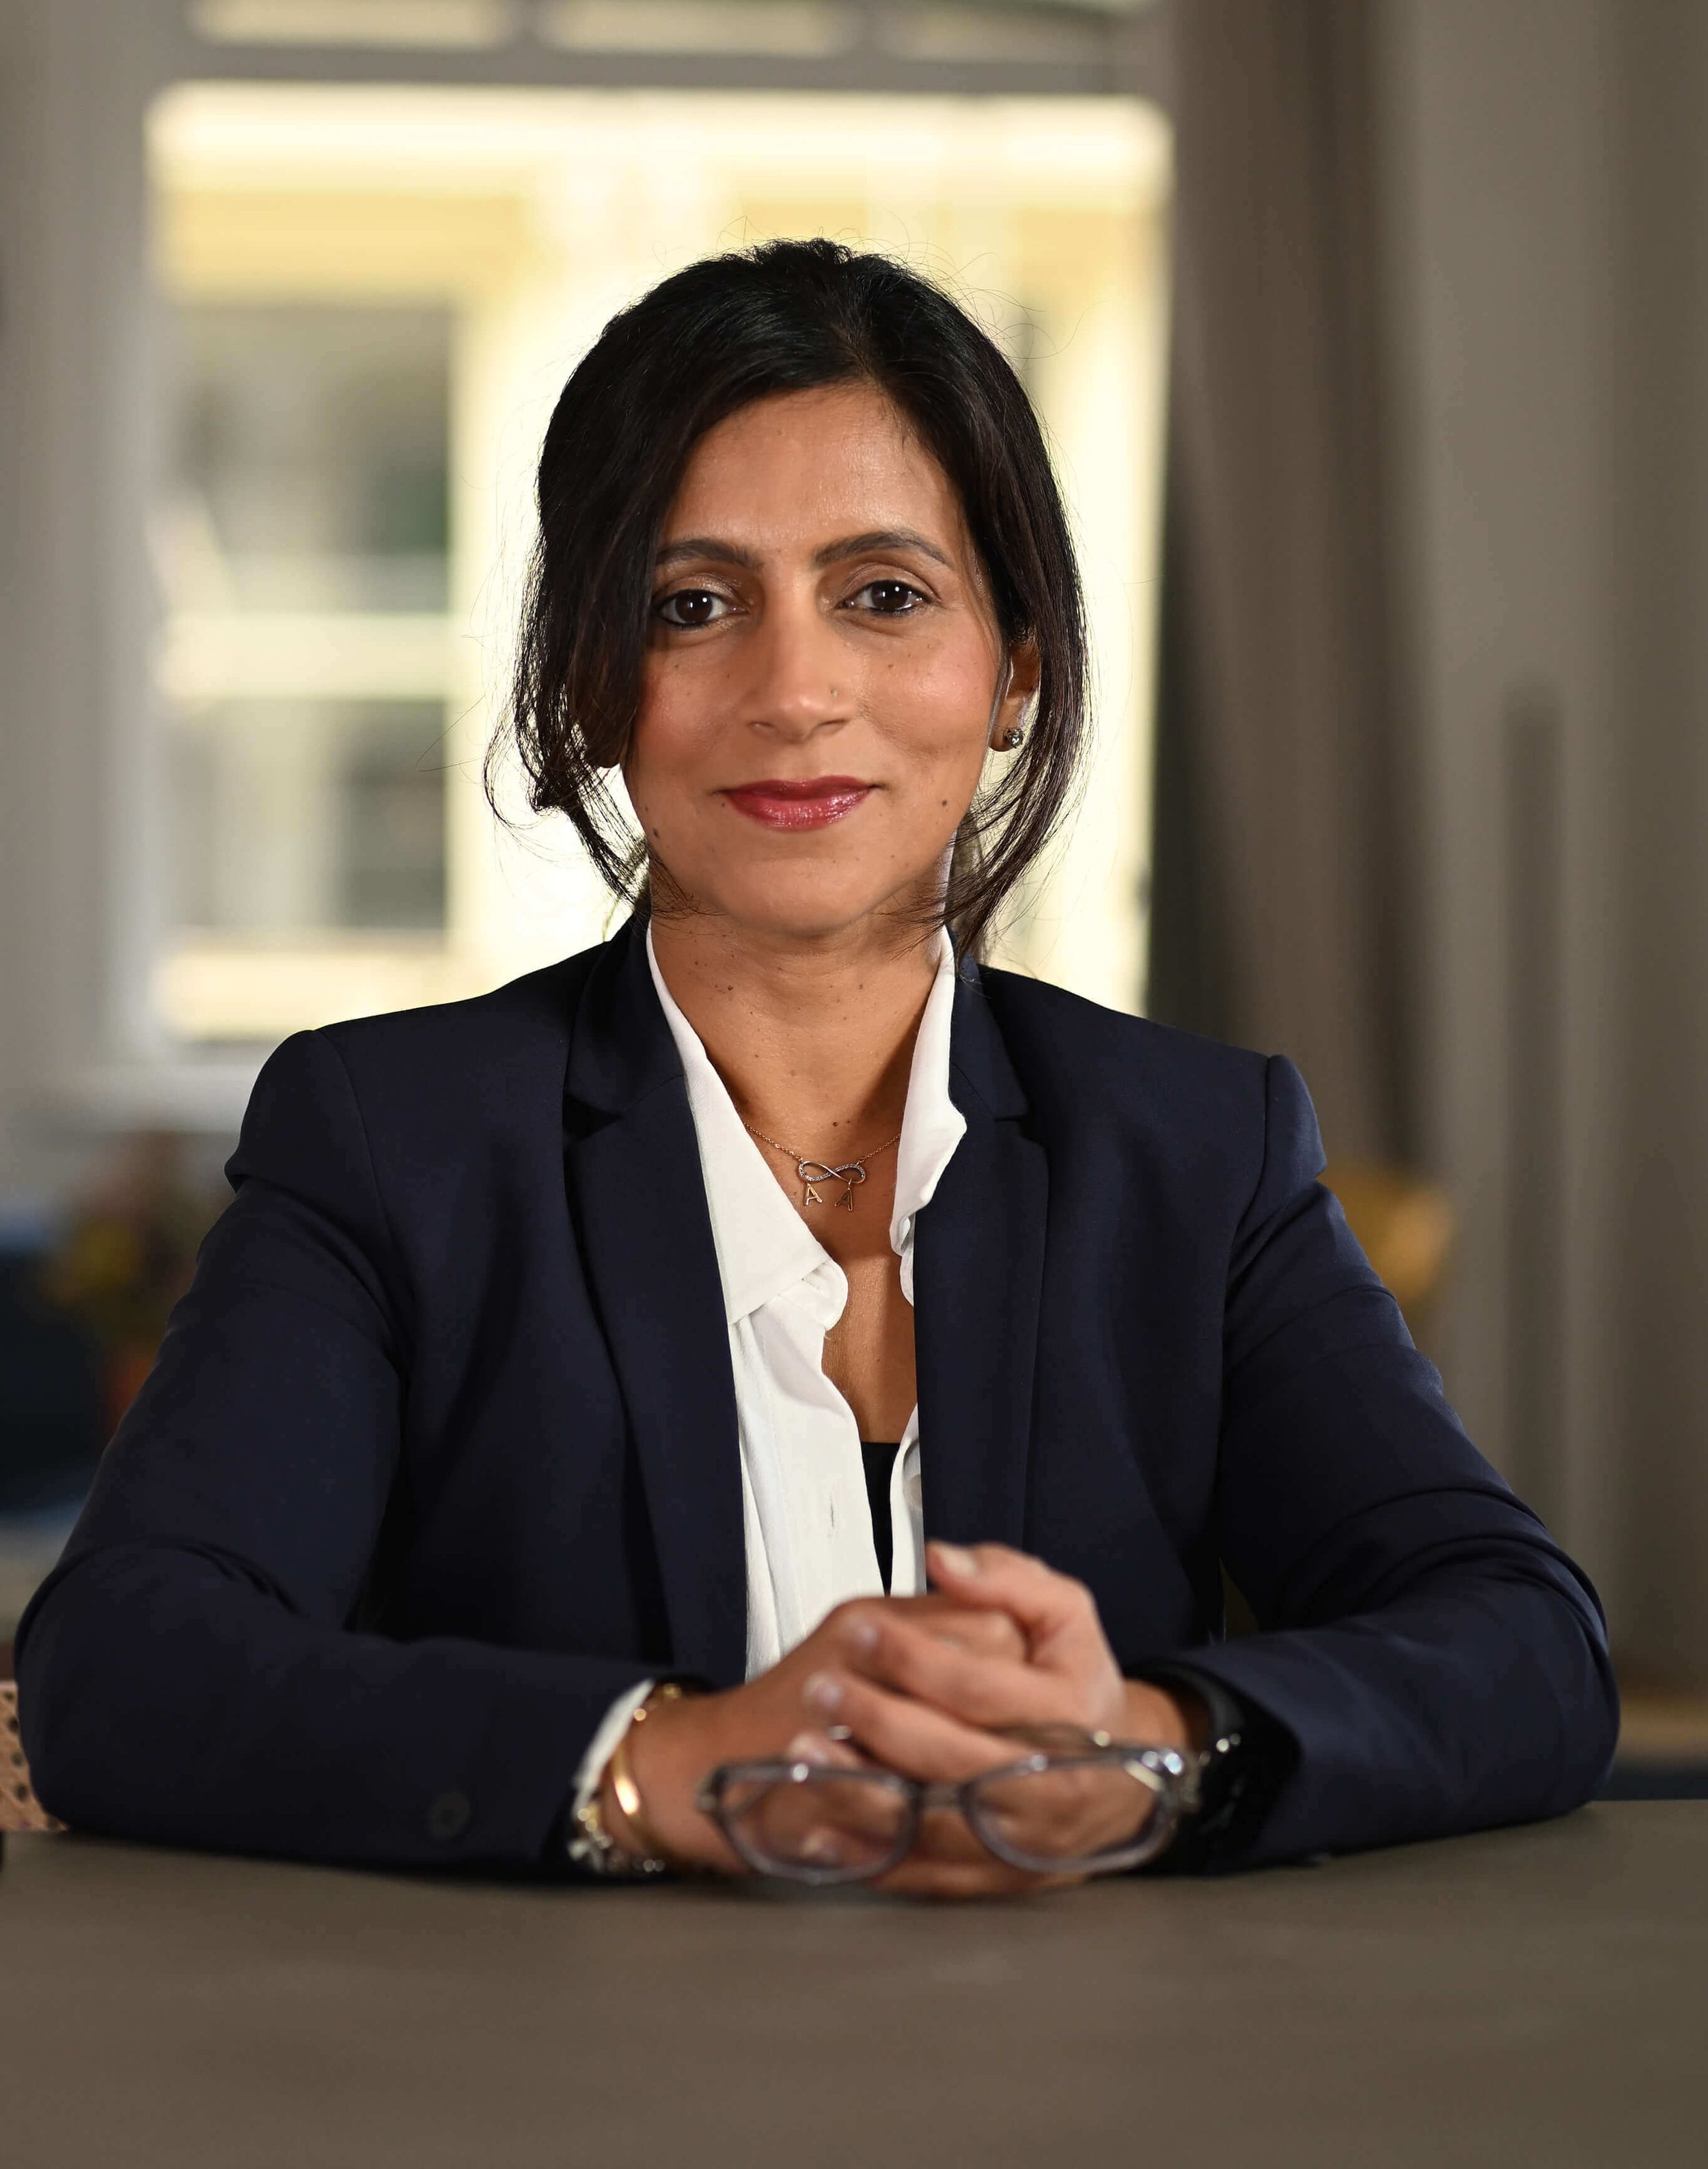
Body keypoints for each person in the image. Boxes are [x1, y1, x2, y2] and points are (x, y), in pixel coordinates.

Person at [17, 241, 1616, 1892]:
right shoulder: (391, 1139)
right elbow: (121, 1663)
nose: (792, 692)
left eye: (883, 594)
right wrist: (652, 1763)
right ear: (590, 682)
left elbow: (1521, 1642)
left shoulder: (1197, 1150)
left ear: (1014, 667)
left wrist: (1144, 1754)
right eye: (692, 605)